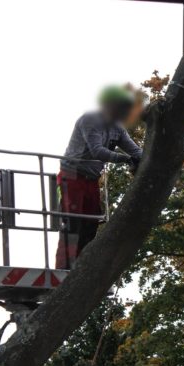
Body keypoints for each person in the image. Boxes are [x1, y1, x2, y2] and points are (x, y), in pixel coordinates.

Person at [55, 85, 143, 269]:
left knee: (91, 223)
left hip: (91, 178)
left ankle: (82, 266)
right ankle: (64, 269)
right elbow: (97, 151)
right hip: (71, 175)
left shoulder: (117, 128)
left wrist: (146, 158)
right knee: (73, 224)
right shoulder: (91, 120)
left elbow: (134, 150)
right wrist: (126, 159)